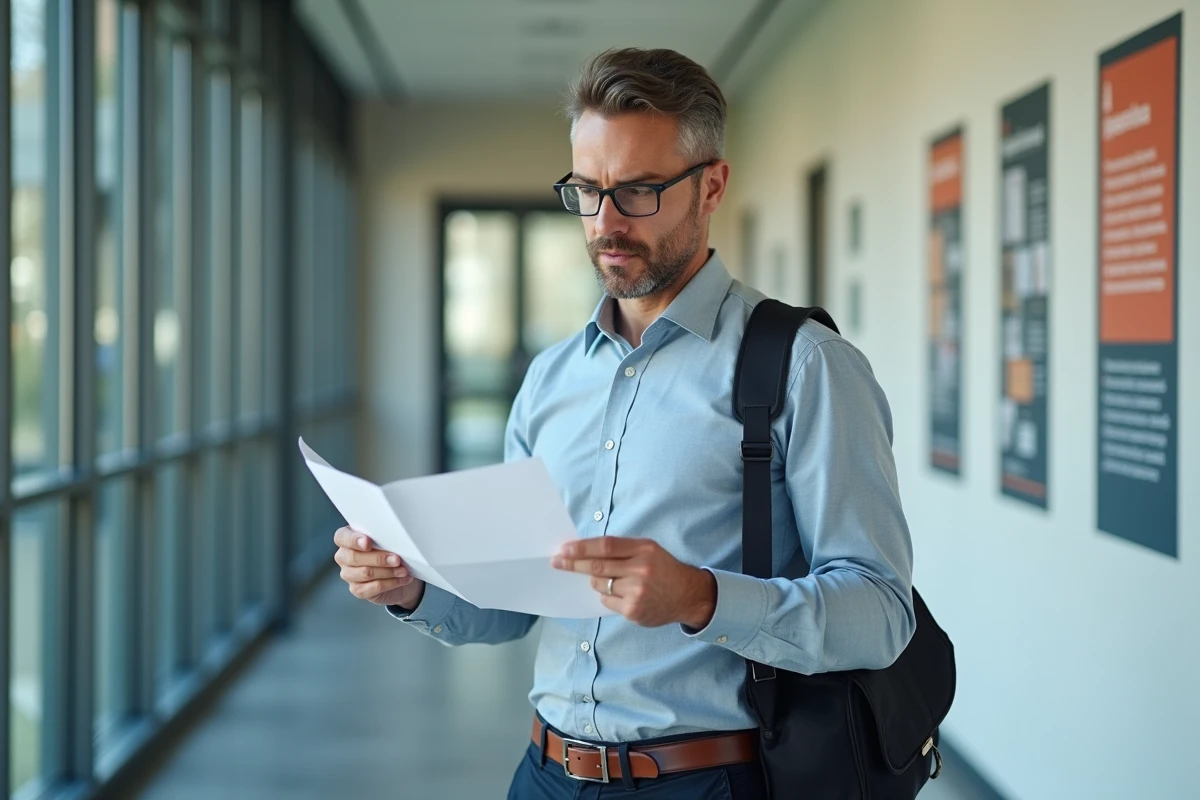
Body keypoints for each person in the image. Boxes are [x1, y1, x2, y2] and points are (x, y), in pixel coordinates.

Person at [333, 47, 915, 799]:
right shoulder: (550, 380)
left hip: (713, 781)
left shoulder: (807, 367)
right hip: (544, 776)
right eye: (587, 189)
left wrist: (703, 598)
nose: (606, 223)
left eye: (639, 190)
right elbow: (513, 607)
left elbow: (880, 611)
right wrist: (409, 589)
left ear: (712, 187)